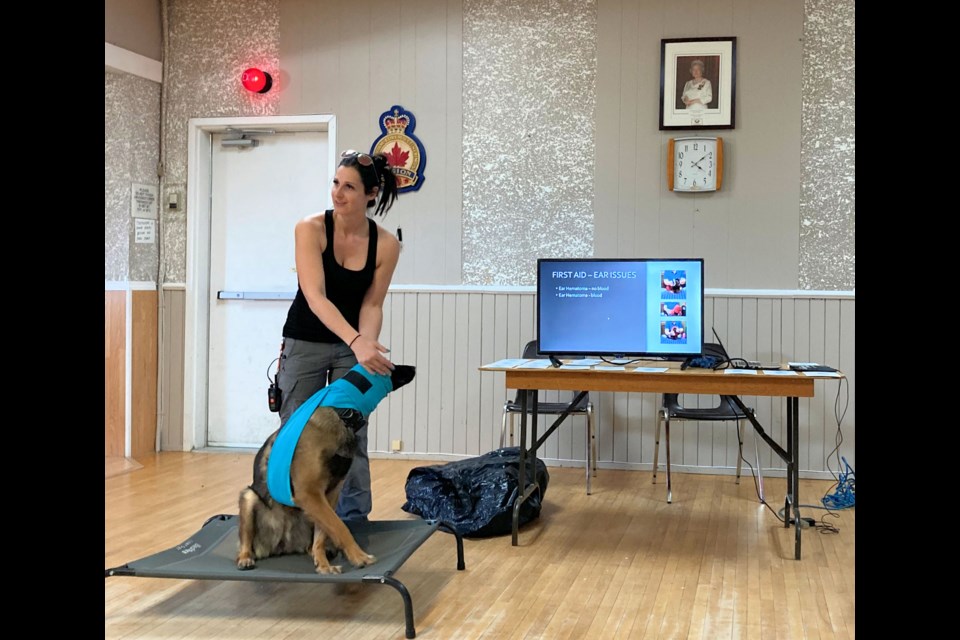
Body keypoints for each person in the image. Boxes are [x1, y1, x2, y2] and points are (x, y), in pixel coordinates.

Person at [277, 149, 401, 522]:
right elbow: (315, 296)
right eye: (335, 183)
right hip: (305, 342)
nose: (337, 193)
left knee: (351, 435)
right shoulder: (310, 229)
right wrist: (357, 341)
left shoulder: (387, 245)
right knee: (297, 431)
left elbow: (372, 304)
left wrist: (367, 347)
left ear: (371, 194)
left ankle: (353, 520)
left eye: (349, 187)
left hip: (352, 345)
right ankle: (291, 517)